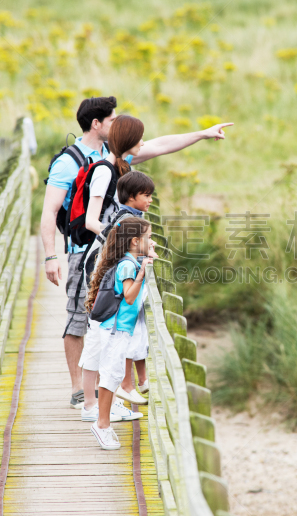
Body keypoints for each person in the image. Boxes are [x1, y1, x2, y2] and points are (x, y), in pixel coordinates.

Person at [41, 95, 232, 409]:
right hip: (84, 248)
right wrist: (51, 256)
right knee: (80, 316)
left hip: (112, 251)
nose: (118, 123)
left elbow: (158, 144)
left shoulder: (114, 155)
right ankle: (80, 390)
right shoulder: (70, 161)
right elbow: (49, 212)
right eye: (113, 119)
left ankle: (105, 390)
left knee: (109, 316)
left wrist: (201, 133)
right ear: (96, 124)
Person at [78, 171, 156, 421]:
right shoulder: (127, 223)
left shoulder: (125, 220)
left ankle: (99, 406)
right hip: (108, 307)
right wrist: (142, 269)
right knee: (101, 359)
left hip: (103, 296)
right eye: (147, 195)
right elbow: (130, 296)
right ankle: (98, 413)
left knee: (100, 357)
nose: (151, 200)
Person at [85, 217, 153, 450]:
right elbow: (129, 296)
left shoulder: (131, 261)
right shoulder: (128, 265)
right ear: (135, 241)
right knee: (111, 374)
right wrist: (142, 273)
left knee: (112, 374)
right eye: (148, 238)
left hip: (120, 328)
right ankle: (102, 425)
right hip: (115, 329)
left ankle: (103, 423)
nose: (151, 241)